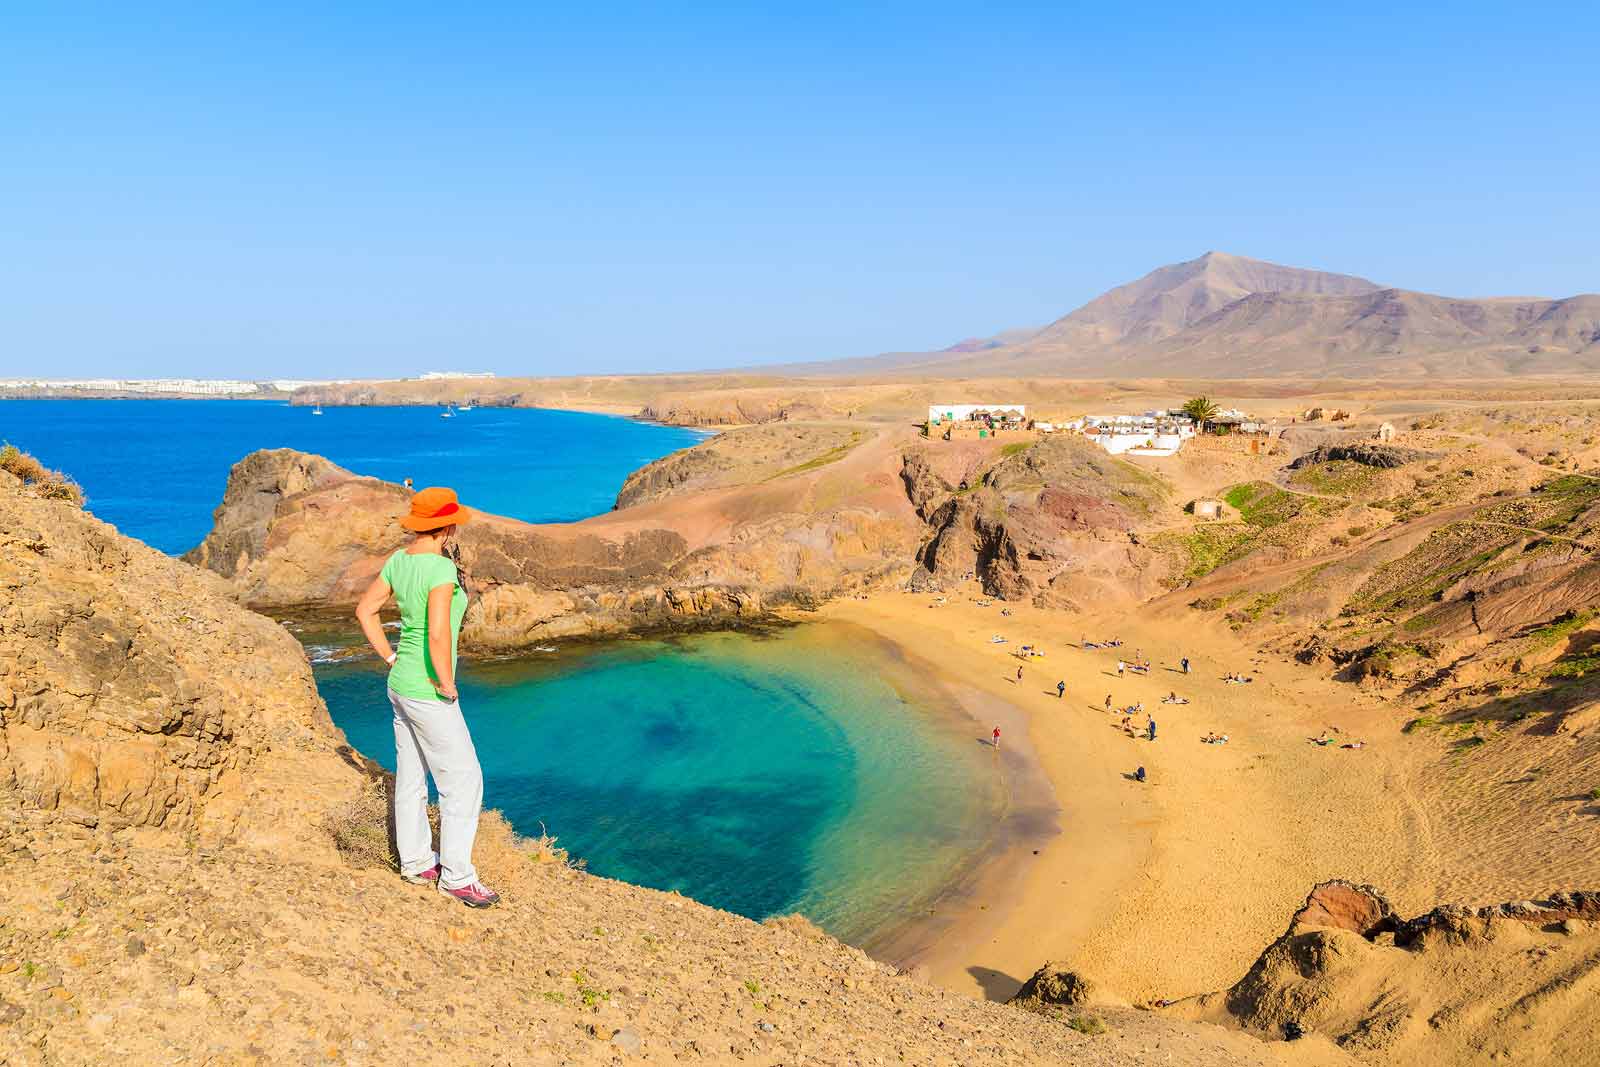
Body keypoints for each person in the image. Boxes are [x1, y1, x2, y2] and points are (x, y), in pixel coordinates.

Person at [355, 487, 500, 909]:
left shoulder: (399, 560)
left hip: (399, 683)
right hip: (426, 689)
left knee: (413, 775)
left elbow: (366, 610)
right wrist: (445, 681)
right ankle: (457, 877)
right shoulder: (440, 570)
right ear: (448, 528)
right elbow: (438, 633)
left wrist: (388, 655)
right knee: (464, 780)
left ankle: (417, 862)